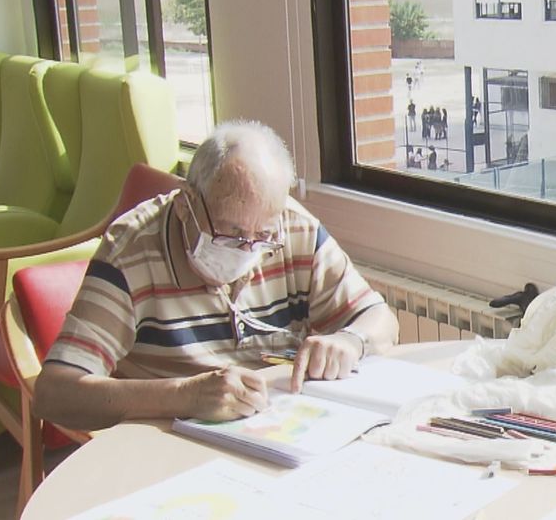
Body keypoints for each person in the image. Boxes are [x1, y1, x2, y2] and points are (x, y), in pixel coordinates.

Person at [34, 121, 399, 431]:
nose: (247, 248)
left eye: (263, 236)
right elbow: (55, 393)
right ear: (185, 206)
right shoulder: (132, 251)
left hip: (281, 431)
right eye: (230, 233)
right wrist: (184, 395)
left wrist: (351, 340)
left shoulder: (292, 228)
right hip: (170, 441)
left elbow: (380, 320)